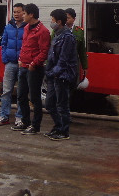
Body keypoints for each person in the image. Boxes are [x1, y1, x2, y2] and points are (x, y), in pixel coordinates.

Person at [13, 3, 51, 135]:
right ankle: (25, 121)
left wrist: (34, 63)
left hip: (34, 69)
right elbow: (24, 45)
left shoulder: (43, 31)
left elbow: (44, 51)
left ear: (31, 15)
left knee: (34, 98)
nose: (22, 16)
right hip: (23, 66)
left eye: (24, 13)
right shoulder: (27, 27)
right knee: (21, 96)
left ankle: (35, 125)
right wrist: (20, 59)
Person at [44, 9, 78, 142]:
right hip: (54, 75)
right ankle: (58, 126)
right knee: (49, 104)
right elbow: (51, 57)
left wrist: (52, 73)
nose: (51, 22)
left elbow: (63, 60)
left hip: (62, 75)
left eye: (52, 20)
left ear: (59, 22)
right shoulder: (57, 35)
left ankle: (64, 131)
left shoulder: (67, 37)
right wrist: (49, 72)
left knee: (62, 105)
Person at [0, 3, 26, 126]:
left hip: (22, 64)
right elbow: (4, 43)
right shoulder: (8, 27)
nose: (16, 14)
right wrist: (5, 58)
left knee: (21, 92)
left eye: (18, 12)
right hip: (10, 64)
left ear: (24, 13)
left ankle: (20, 117)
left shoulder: (28, 27)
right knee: (6, 91)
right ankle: (4, 116)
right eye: (14, 12)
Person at [64, 8, 88, 86]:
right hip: (62, 63)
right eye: (65, 18)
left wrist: (85, 66)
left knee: (73, 85)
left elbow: (82, 50)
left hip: (73, 64)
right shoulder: (58, 30)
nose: (66, 20)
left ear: (74, 19)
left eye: (68, 18)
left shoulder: (79, 31)